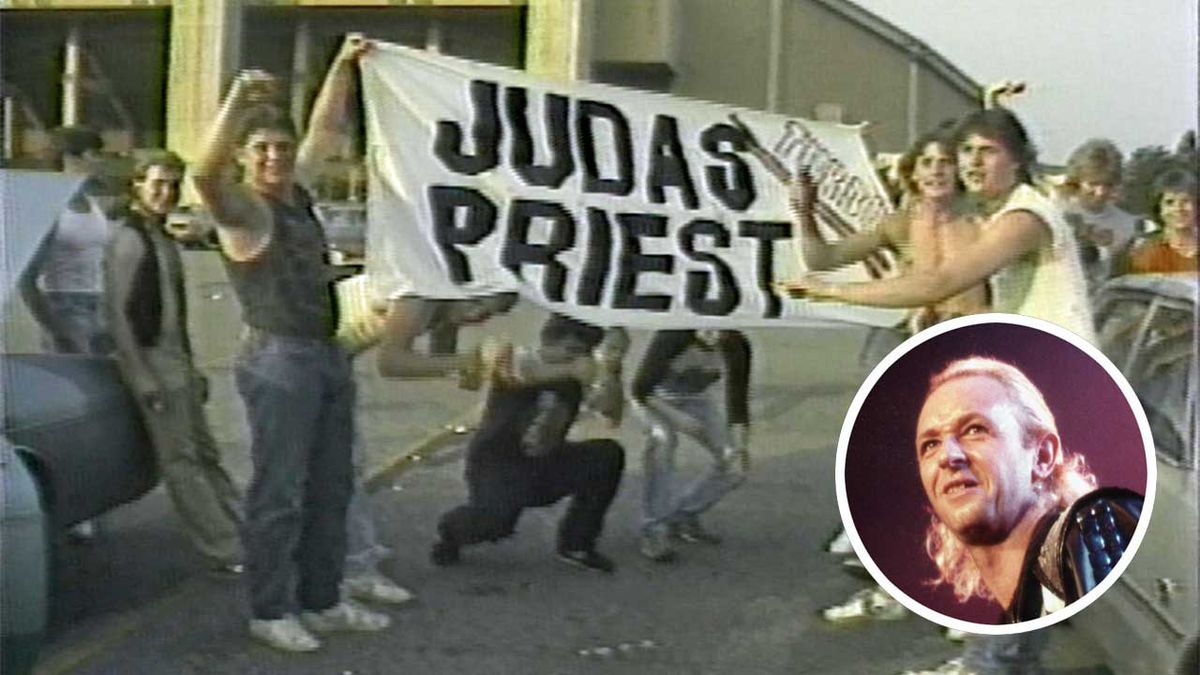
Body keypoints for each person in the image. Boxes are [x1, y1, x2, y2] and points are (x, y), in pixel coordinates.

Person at [191, 35, 390, 653]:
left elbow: (326, 131)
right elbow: (202, 172)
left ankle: (322, 599)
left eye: (280, 146)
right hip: (279, 359)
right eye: (263, 149)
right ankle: (270, 608)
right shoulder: (245, 214)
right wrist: (235, 104)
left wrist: (342, 65)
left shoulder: (298, 194)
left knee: (331, 485)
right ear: (245, 160)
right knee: (279, 491)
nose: (276, 156)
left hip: (325, 352)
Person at [782, 107, 1096, 345]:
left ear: (1016, 161)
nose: (973, 162)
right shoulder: (912, 223)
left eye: (987, 152)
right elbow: (823, 259)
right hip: (1014, 353)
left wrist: (833, 291)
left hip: (1056, 359)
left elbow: (940, 282)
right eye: (967, 151)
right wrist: (805, 212)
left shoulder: (1021, 218)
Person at [915, 356, 1141, 622]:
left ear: (1042, 457)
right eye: (930, 445)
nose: (947, 456)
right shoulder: (1022, 618)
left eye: (975, 430)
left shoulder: (1094, 529)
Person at [103, 149, 243, 575]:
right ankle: (224, 548)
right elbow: (117, 315)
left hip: (176, 358)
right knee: (181, 462)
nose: (165, 193)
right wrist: (141, 376)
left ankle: (241, 528)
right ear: (137, 186)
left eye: (172, 185)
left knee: (206, 452)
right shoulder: (129, 239)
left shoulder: (162, 237)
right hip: (151, 360)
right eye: (157, 183)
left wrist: (192, 365)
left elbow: (172, 311)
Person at [429, 314, 626, 573]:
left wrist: (611, 371)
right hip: (497, 465)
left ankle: (577, 543)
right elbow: (518, 372)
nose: (572, 358)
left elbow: (611, 416)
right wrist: (571, 369)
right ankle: (450, 533)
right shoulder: (519, 358)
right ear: (548, 340)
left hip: (544, 462)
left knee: (607, 455)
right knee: (495, 526)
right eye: (568, 350)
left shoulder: (580, 374)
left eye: (580, 353)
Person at [631, 329, 752, 562]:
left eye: (720, 328)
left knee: (733, 465)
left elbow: (738, 402)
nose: (711, 333)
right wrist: (677, 418)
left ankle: (683, 515)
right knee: (664, 442)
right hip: (655, 400)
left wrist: (740, 447)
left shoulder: (736, 346)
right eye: (704, 326)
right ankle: (653, 528)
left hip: (696, 401)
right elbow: (640, 389)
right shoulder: (674, 336)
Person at [19, 126, 117, 356]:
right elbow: (27, 279)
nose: (101, 161)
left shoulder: (92, 203)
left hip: (101, 303)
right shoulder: (51, 208)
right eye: (94, 154)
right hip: (65, 304)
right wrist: (56, 329)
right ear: (70, 158)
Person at [1055, 139, 1145, 291]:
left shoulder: (1126, 224)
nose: (1100, 192)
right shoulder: (1056, 211)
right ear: (1077, 180)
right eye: (1093, 184)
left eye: (1108, 185)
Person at [1122, 168, 1197, 274]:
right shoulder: (1147, 254)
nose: (1178, 208)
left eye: (1185, 201)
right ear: (1159, 209)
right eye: (1169, 202)